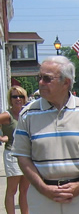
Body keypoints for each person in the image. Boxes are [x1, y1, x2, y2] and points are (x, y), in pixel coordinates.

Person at [12, 56, 79, 214]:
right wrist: (43, 188)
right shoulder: (27, 114)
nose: (41, 82)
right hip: (42, 197)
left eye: (47, 79)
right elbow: (22, 157)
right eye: (39, 77)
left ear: (66, 82)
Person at [0, 86, 30, 214]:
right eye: (14, 96)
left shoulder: (27, 113)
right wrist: (2, 137)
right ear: (10, 99)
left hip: (27, 154)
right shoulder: (7, 115)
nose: (18, 99)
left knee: (25, 190)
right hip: (12, 155)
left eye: (21, 96)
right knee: (12, 190)